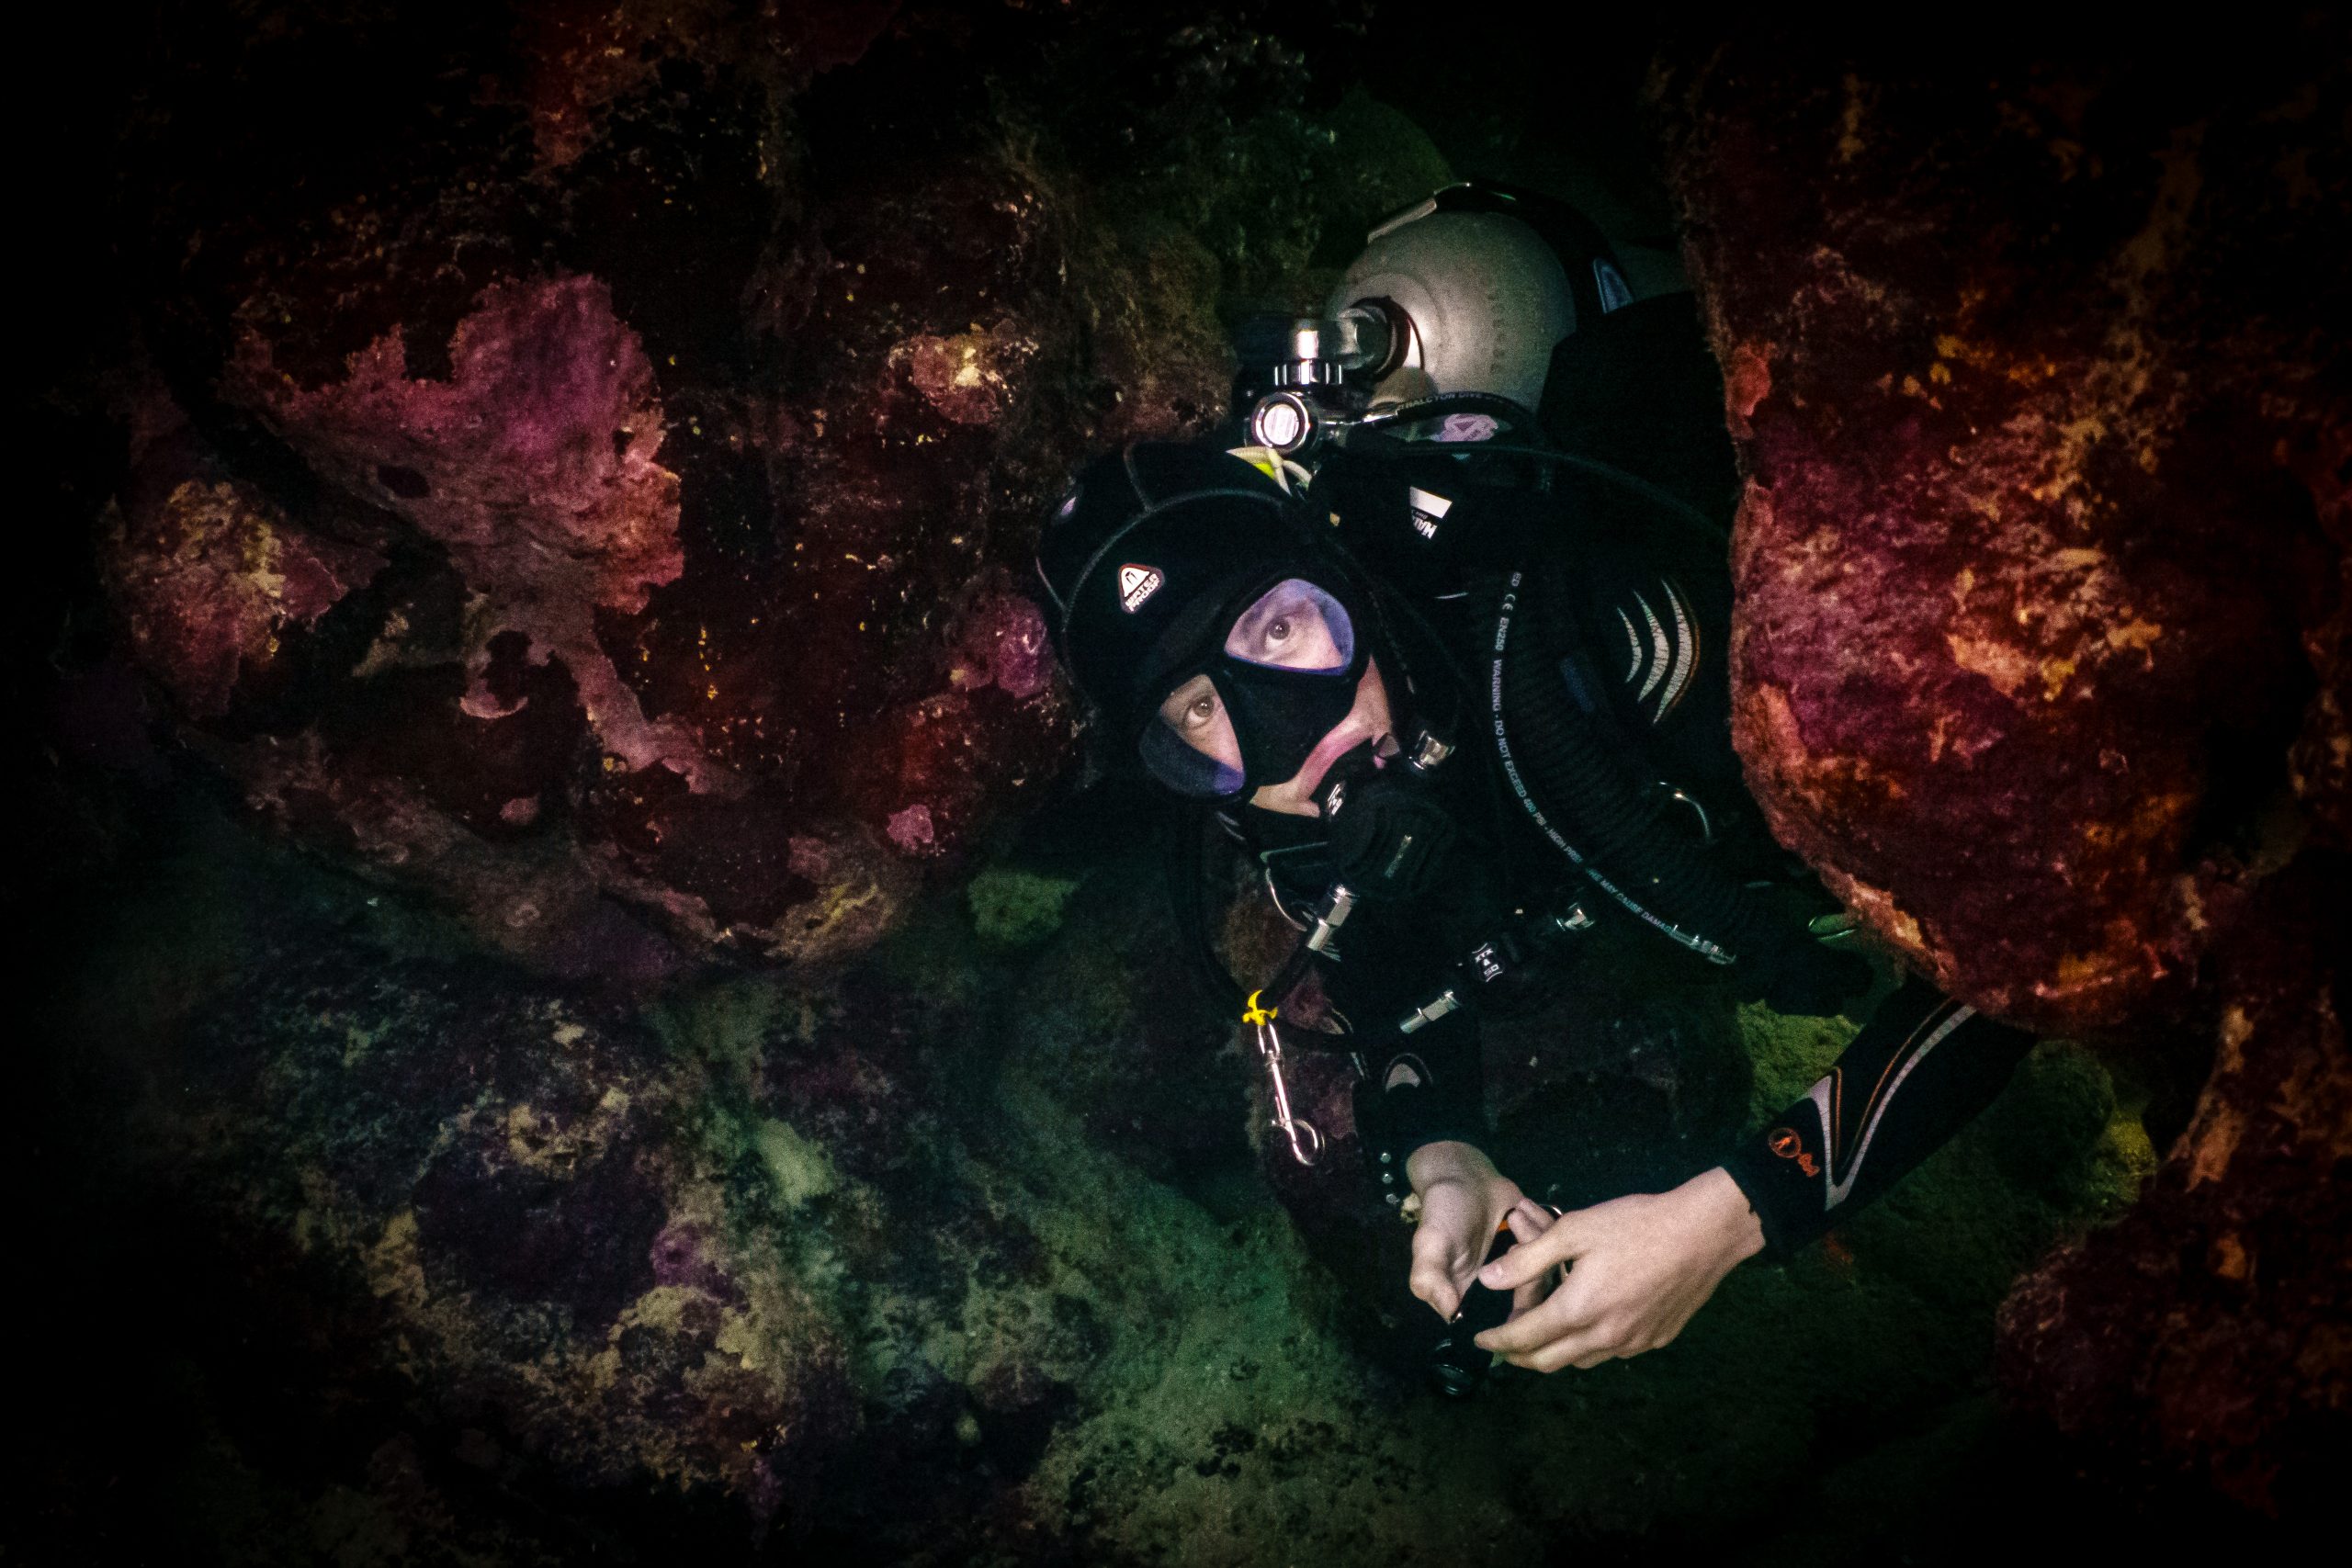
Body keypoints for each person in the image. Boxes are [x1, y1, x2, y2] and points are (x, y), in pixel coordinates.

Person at [1030, 187, 2037, 1378]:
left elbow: (2037, 922)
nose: (1285, 744)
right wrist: (1445, 1156)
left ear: (1354, 586)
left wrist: (1739, 1212)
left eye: (1284, 635)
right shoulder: (1301, 825)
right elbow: (1394, 991)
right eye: (1198, 714)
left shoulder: (1629, 651)